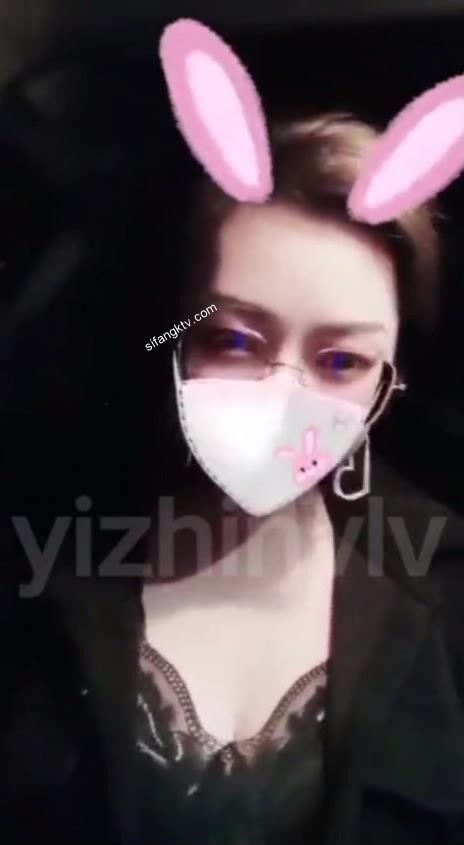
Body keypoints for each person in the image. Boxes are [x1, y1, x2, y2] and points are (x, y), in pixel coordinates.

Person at [2, 55, 464, 845]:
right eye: (237, 341)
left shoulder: (447, 595)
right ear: (180, 338)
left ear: (389, 384)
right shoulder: (39, 563)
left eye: (341, 360)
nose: (284, 394)